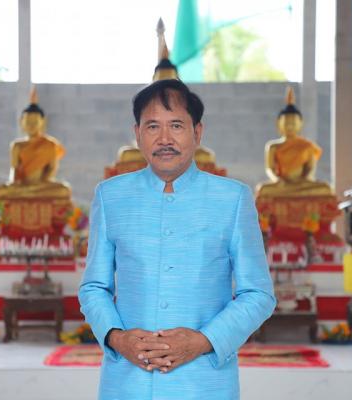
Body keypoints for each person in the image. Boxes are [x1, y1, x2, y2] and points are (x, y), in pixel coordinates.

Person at [79, 79, 276, 400]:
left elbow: (258, 294)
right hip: (128, 382)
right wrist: (117, 338)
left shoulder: (232, 198)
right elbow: (93, 287)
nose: (165, 139)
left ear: (197, 132)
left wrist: (202, 341)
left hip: (204, 383)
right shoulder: (111, 196)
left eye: (176, 125)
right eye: (152, 126)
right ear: (137, 134)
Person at [0, 88, 71, 200]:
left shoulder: (50, 144)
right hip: (22, 185)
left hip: (42, 185)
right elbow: (14, 170)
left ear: (43, 122)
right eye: (28, 122)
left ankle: (28, 193)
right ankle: (27, 192)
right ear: (21, 122)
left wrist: (39, 184)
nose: (31, 125)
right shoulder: (17, 146)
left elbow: (52, 169)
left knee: (64, 190)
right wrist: (15, 183)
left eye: (35, 122)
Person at [256, 86, 332, 197]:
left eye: (293, 123)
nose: (290, 126)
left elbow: (310, 169)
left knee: (326, 188)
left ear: (300, 123)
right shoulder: (273, 146)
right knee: (263, 189)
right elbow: (269, 169)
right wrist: (277, 180)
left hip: (302, 183)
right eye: (286, 123)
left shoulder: (307, 146)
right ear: (279, 124)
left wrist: (305, 179)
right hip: (282, 184)